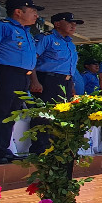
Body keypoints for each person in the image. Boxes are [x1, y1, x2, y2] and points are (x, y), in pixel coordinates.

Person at [0, 0, 43, 164]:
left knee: (12, 114)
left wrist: (31, 79)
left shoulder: (27, 32)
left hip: (22, 76)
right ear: (18, 12)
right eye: (33, 11)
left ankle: (2, 149)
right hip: (5, 73)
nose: (36, 16)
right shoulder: (3, 27)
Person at [29, 11, 83, 156]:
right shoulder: (46, 38)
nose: (74, 25)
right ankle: (40, 148)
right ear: (57, 24)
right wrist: (34, 80)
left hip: (65, 82)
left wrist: (71, 86)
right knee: (45, 114)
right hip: (48, 79)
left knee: (62, 115)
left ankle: (55, 148)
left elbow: (69, 67)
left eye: (75, 23)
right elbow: (32, 59)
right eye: (70, 22)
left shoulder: (70, 43)